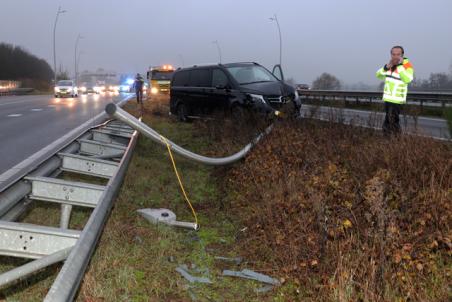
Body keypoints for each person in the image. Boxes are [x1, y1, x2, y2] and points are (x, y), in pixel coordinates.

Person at [376, 46, 414, 136]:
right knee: (389, 121)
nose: (395, 56)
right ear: (391, 55)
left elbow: (408, 79)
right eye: (393, 54)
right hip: (388, 99)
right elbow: (378, 75)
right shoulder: (390, 65)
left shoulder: (407, 65)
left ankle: (394, 142)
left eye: (398, 54)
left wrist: (400, 66)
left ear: (402, 55)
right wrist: (386, 67)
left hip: (397, 100)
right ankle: (392, 143)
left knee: (392, 122)